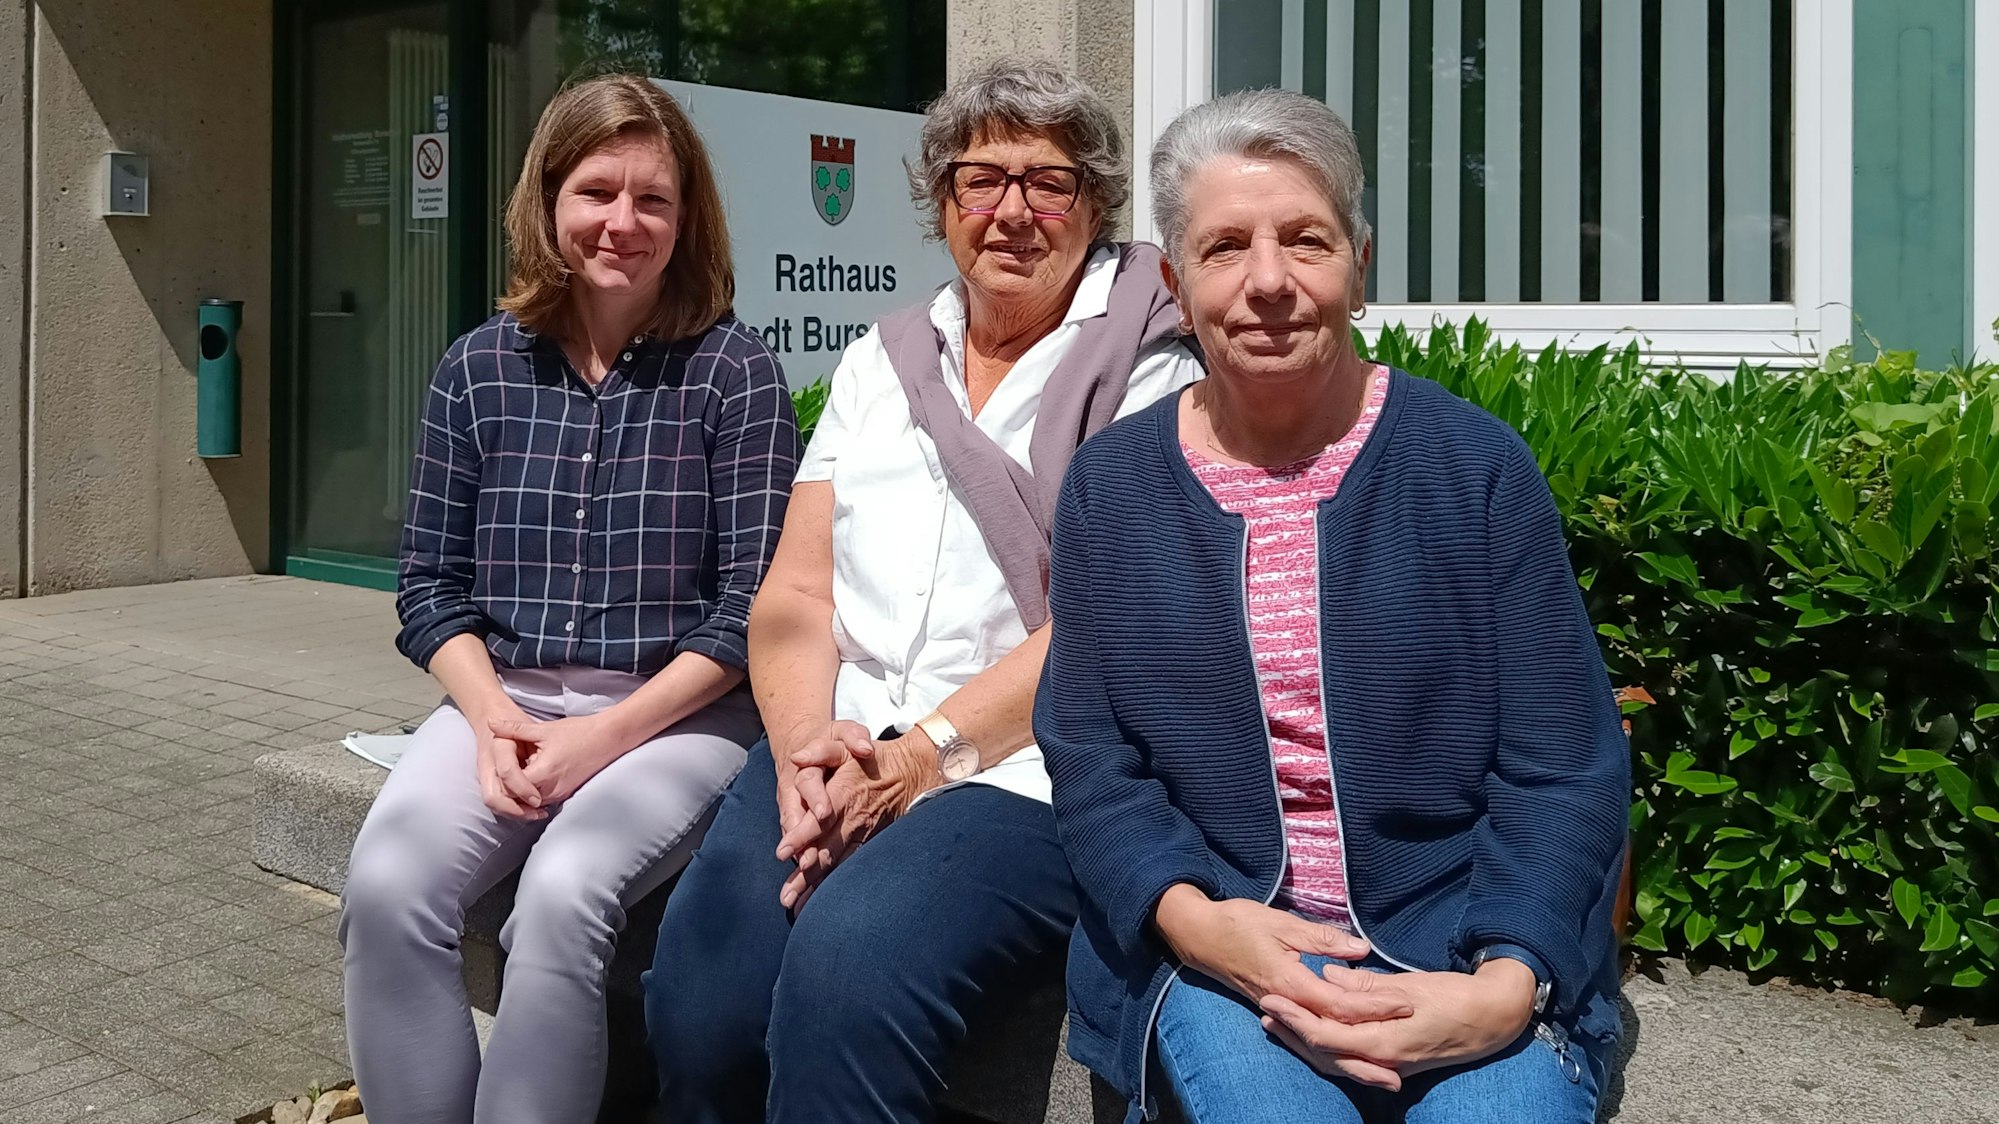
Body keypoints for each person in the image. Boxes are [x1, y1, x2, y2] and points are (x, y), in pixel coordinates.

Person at [1034, 88, 1628, 1124]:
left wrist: (1505, 981)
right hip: (1221, 943)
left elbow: (1563, 762)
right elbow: (1090, 752)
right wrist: (1195, 921)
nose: (1268, 281)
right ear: (1174, 281)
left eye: (1305, 240)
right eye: (1224, 247)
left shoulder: (1476, 469)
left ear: (1359, 262)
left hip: (1461, 938)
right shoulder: (1111, 485)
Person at [641, 60, 1205, 1123]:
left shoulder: (1152, 369)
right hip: (842, 733)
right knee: (699, 1003)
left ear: (1095, 204)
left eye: (1049, 183)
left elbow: (1105, 618)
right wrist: (812, 750)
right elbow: (797, 596)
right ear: (941, 199)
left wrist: (914, 760)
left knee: (850, 974)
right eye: (981, 179)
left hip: (1025, 770)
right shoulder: (877, 361)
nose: (1012, 211)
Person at [338, 74, 798, 1124]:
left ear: (689, 219)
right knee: (386, 885)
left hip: (678, 714)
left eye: (653, 200)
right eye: (596, 191)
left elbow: (747, 612)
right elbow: (428, 587)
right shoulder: (476, 370)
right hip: (502, 701)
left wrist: (599, 742)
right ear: (547, 200)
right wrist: (494, 716)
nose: (622, 224)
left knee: (560, 896)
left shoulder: (735, 374)